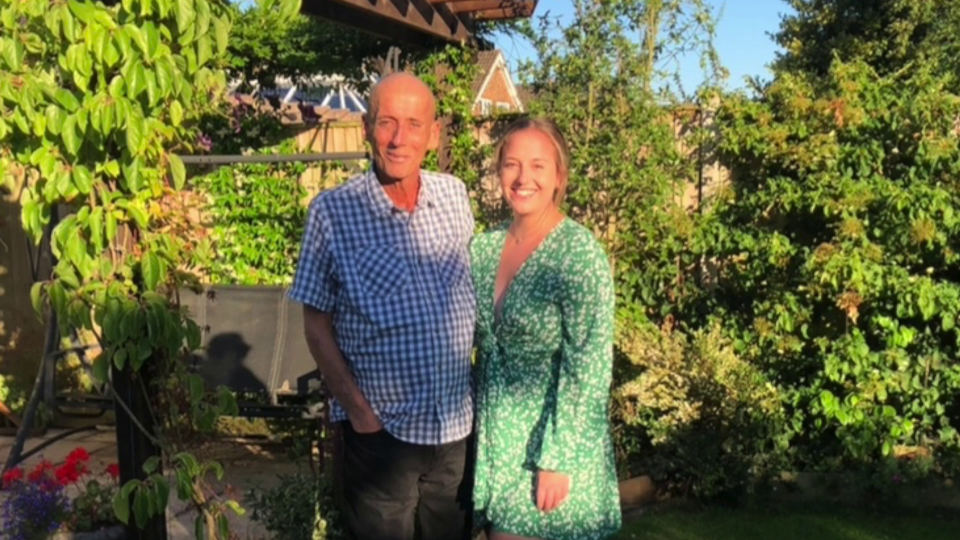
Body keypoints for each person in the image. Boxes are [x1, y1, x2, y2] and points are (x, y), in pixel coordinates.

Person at [290, 72, 476, 540]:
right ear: (367, 127)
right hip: (382, 434)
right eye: (387, 122)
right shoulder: (333, 213)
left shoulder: (455, 197)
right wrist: (360, 414)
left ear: (433, 135)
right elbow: (316, 326)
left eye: (414, 124)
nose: (399, 138)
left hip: (454, 429)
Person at [469, 117, 622, 540]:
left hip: (554, 453)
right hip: (499, 446)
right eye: (511, 164)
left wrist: (558, 459)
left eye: (538, 166)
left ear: (559, 176)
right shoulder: (482, 249)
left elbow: (588, 365)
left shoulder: (577, 254)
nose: (523, 178)